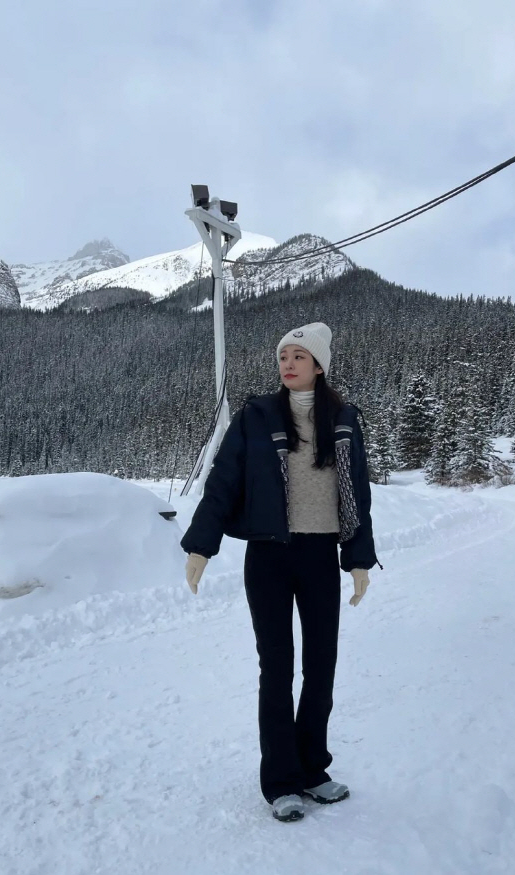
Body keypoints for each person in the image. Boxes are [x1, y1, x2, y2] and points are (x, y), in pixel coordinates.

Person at [180, 322, 382, 822]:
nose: (288, 363)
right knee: (277, 669)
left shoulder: (344, 418)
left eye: (298, 356)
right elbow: (223, 482)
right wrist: (201, 546)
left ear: (319, 365)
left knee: (322, 667)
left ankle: (313, 769)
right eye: (283, 356)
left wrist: (358, 559)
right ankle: (281, 781)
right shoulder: (257, 415)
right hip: (268, 558)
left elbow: (357, 490)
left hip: (318, 556)